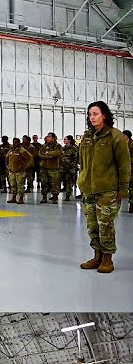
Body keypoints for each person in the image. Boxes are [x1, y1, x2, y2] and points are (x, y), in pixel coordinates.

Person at [77, 100, 128, 273]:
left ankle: (107, 259)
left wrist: (123, 189)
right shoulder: (86, 137)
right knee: (92, 225)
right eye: (90, 114)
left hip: (108, 191)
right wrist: (82, 181)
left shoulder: (115, 136)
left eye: (95, 113)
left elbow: (124, 165)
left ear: (104, 115)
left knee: (105, 224)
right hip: (89, 190)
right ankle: (97, 255)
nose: (92, 117)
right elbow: (82, 161)